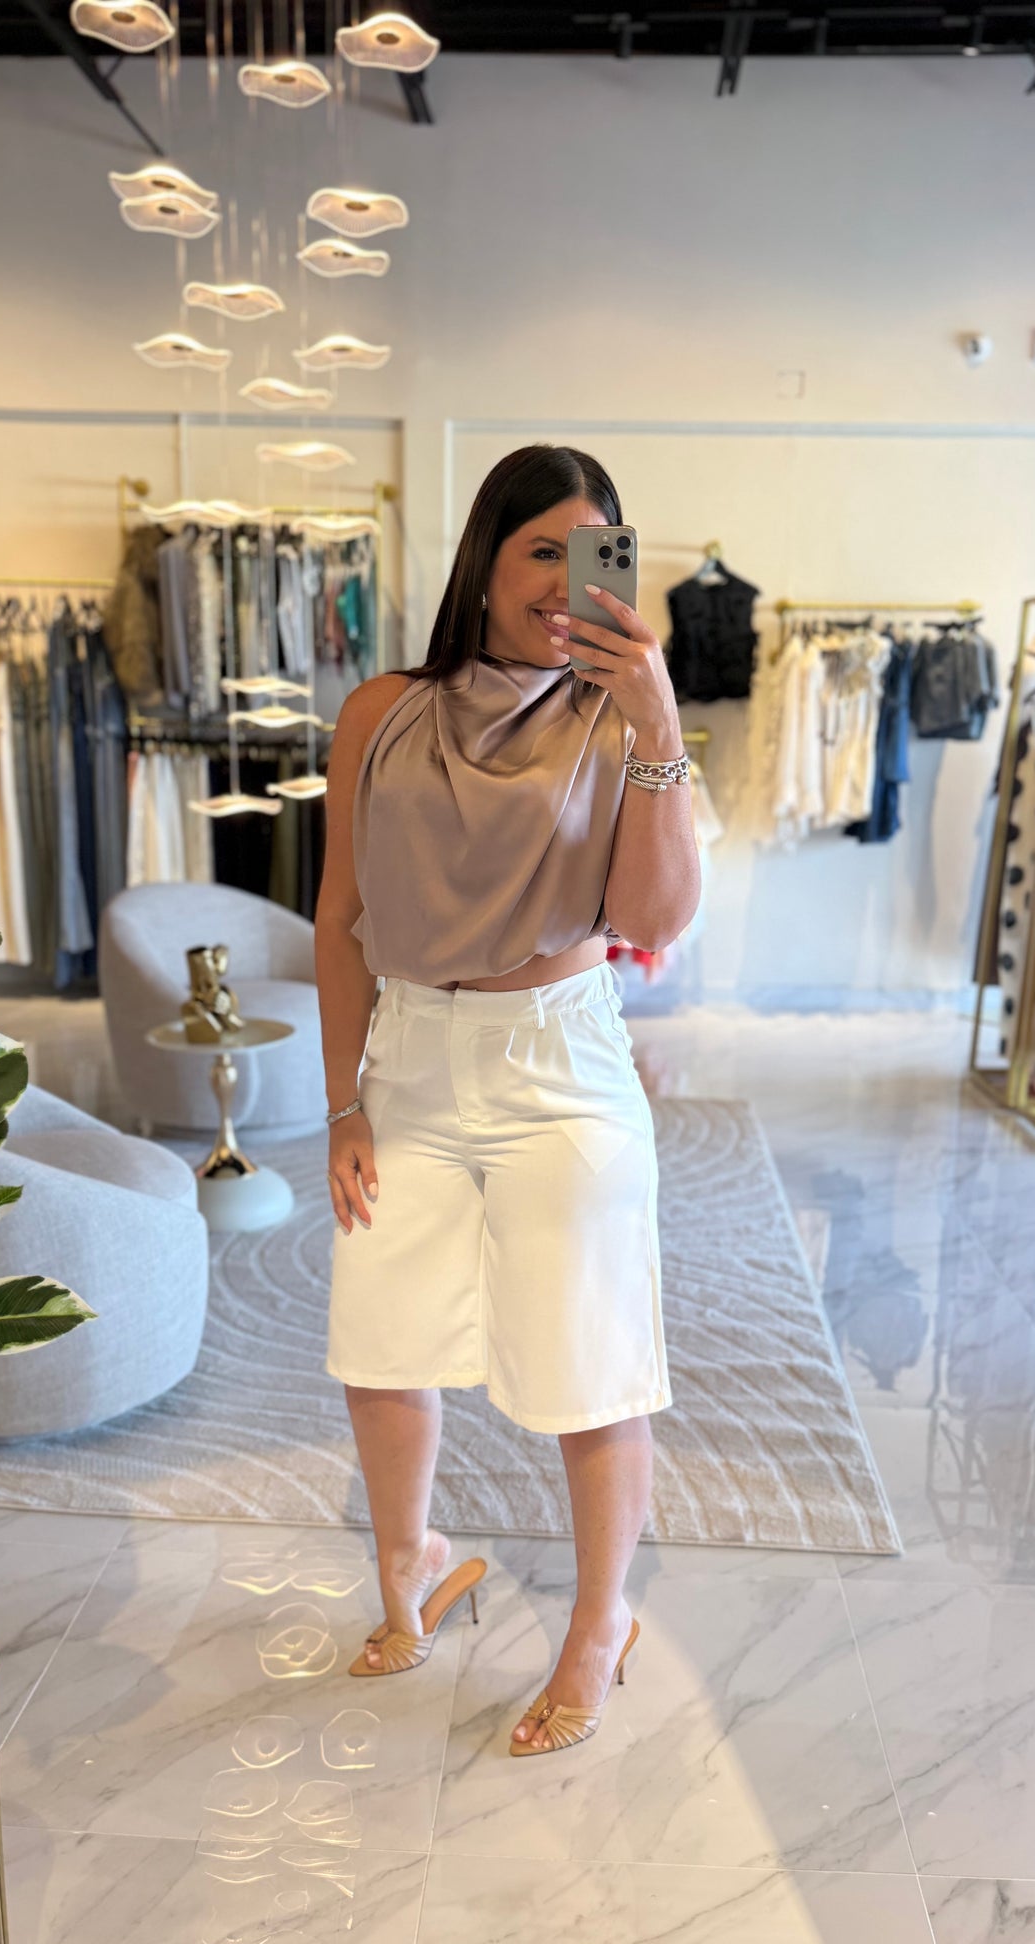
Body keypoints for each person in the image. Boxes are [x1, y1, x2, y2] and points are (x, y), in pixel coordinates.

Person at [316, 444, 702, 1756]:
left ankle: (601, 1622)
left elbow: (652, 921)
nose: (561, 584)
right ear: (484, 558)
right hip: (410, 1060)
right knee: (382, 1343)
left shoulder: (622, 719)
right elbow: (339, 917)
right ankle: (410, 1563)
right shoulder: (381, 714)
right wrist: (342, 1104)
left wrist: (657, 728)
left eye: (590, 556)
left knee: (588, 1364)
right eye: (542, 550)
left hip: (562, 1065)